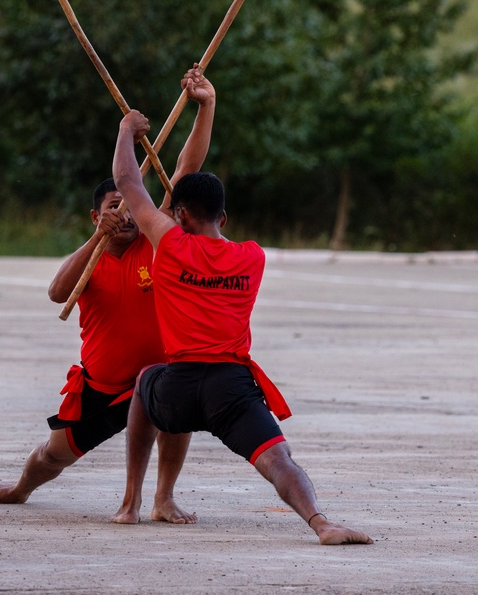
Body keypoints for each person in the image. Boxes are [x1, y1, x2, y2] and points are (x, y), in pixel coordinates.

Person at [0, 66, 217, 525]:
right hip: (102, 387)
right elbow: (56, 291)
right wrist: (93, 241)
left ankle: (162, 498)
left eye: (126, 208)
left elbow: (185, 170)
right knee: (52, 457)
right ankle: (18, 490)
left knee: (176, 409)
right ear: (95, 216)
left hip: (158, 374)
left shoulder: (156, 238)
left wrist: (205, 105)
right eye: (111, 210)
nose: (122, 217)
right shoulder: (90, 259)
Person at [111, 108, 373, 545]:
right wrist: (207, 104)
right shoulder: (253, 256)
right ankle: (322, 523)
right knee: (278, 459)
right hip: (230, 388)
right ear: (224, 218)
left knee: (145, 381)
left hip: (179, 385)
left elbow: (127, 183)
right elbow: (179, 181)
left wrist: (126, 132)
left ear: (180, 217)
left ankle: (131, 503)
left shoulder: (171, 244)